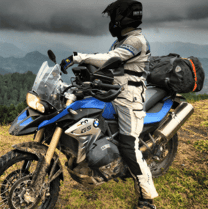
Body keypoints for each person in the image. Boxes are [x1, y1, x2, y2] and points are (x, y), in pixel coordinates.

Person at [60, 0, 157, 208]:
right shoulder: (122, 41)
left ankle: (147, 197)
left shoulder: (136, 41)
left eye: (114, 17)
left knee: (129, 146)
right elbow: (109, 69)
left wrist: (80, 57)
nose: (112, 22)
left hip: (129, 101)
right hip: (114, 96)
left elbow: (109, 59)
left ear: (122, 18)